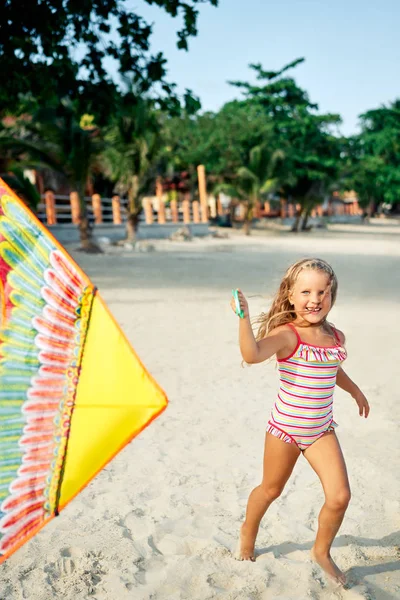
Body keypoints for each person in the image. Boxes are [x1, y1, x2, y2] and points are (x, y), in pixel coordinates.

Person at [230, 258, 370, 585]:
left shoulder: (333, 336)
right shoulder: (287, 335)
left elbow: (332, 368)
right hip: (285, 431)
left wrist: (355, 391)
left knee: (339, 497)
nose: (315, 299)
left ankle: (321, 551)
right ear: (290, 296)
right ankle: (248, 530)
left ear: (332, 296)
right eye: (306, 291)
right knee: (271, 489)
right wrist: (244, 318)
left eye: (323, 291)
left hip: (321, 430)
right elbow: (251, 355)